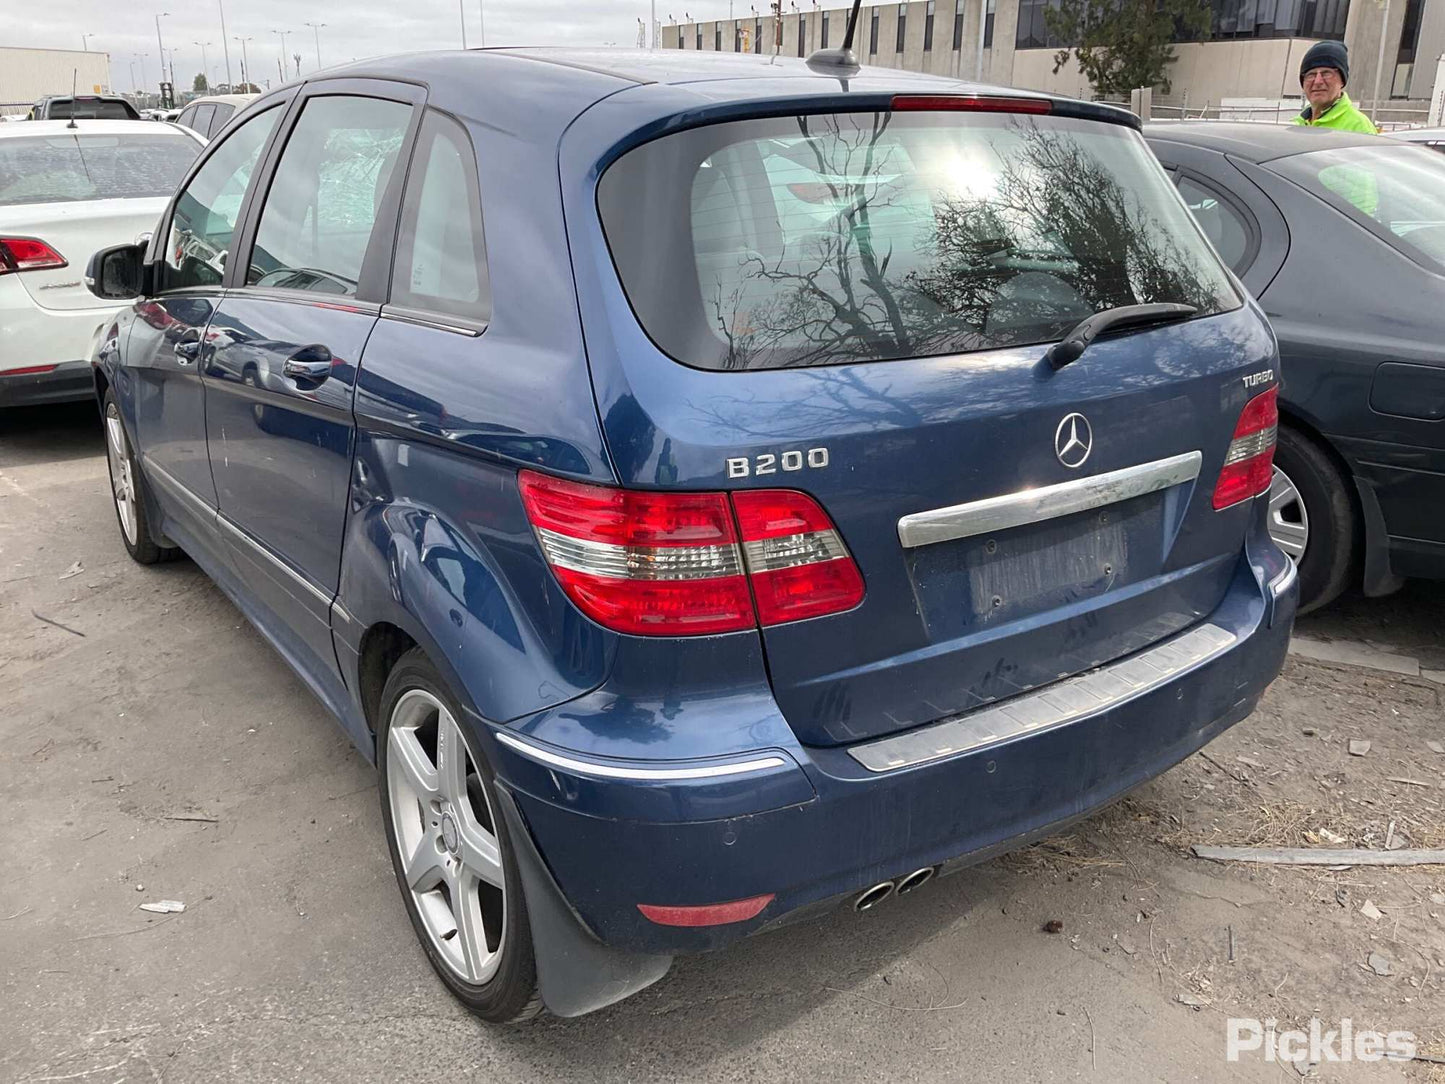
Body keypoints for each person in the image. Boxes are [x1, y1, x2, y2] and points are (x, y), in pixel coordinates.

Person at [1294, 41, 1378, 133]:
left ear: (1342, 80)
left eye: (1326, 73)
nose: (1318, 81)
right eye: (1311, 75)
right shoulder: (1297, 125)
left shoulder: (1359, 127)